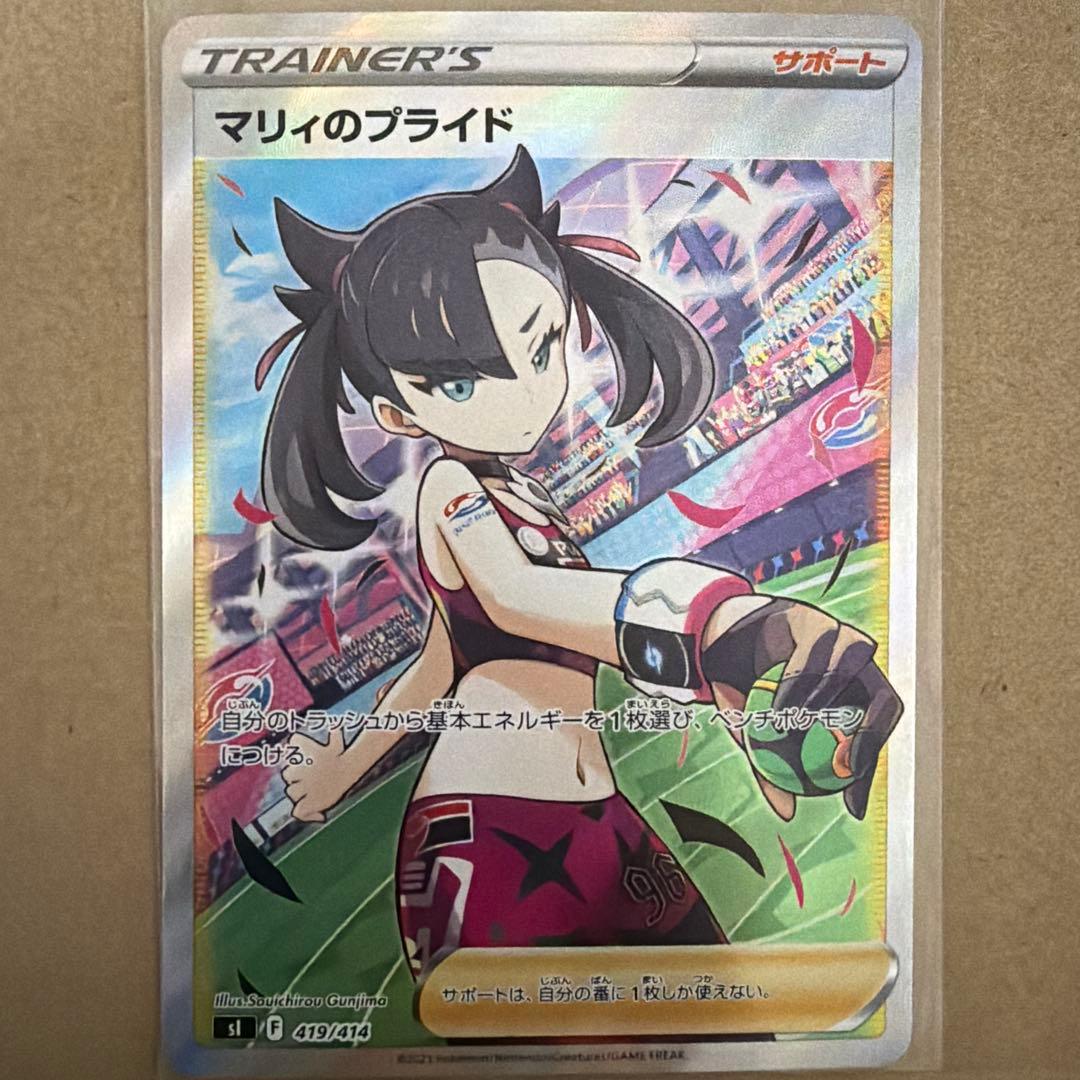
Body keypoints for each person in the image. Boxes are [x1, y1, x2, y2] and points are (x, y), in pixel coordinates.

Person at [258, 146, 902, 977]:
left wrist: (342, 767)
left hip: (601, 819)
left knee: (717, 1015)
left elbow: (438, 663)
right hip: (489, 830)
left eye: (542, 346)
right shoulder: (450, 487)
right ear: (397, 413)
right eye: (461, 383)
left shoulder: (525, 496)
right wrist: (722, 629)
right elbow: (515, 596)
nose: (526, 390)